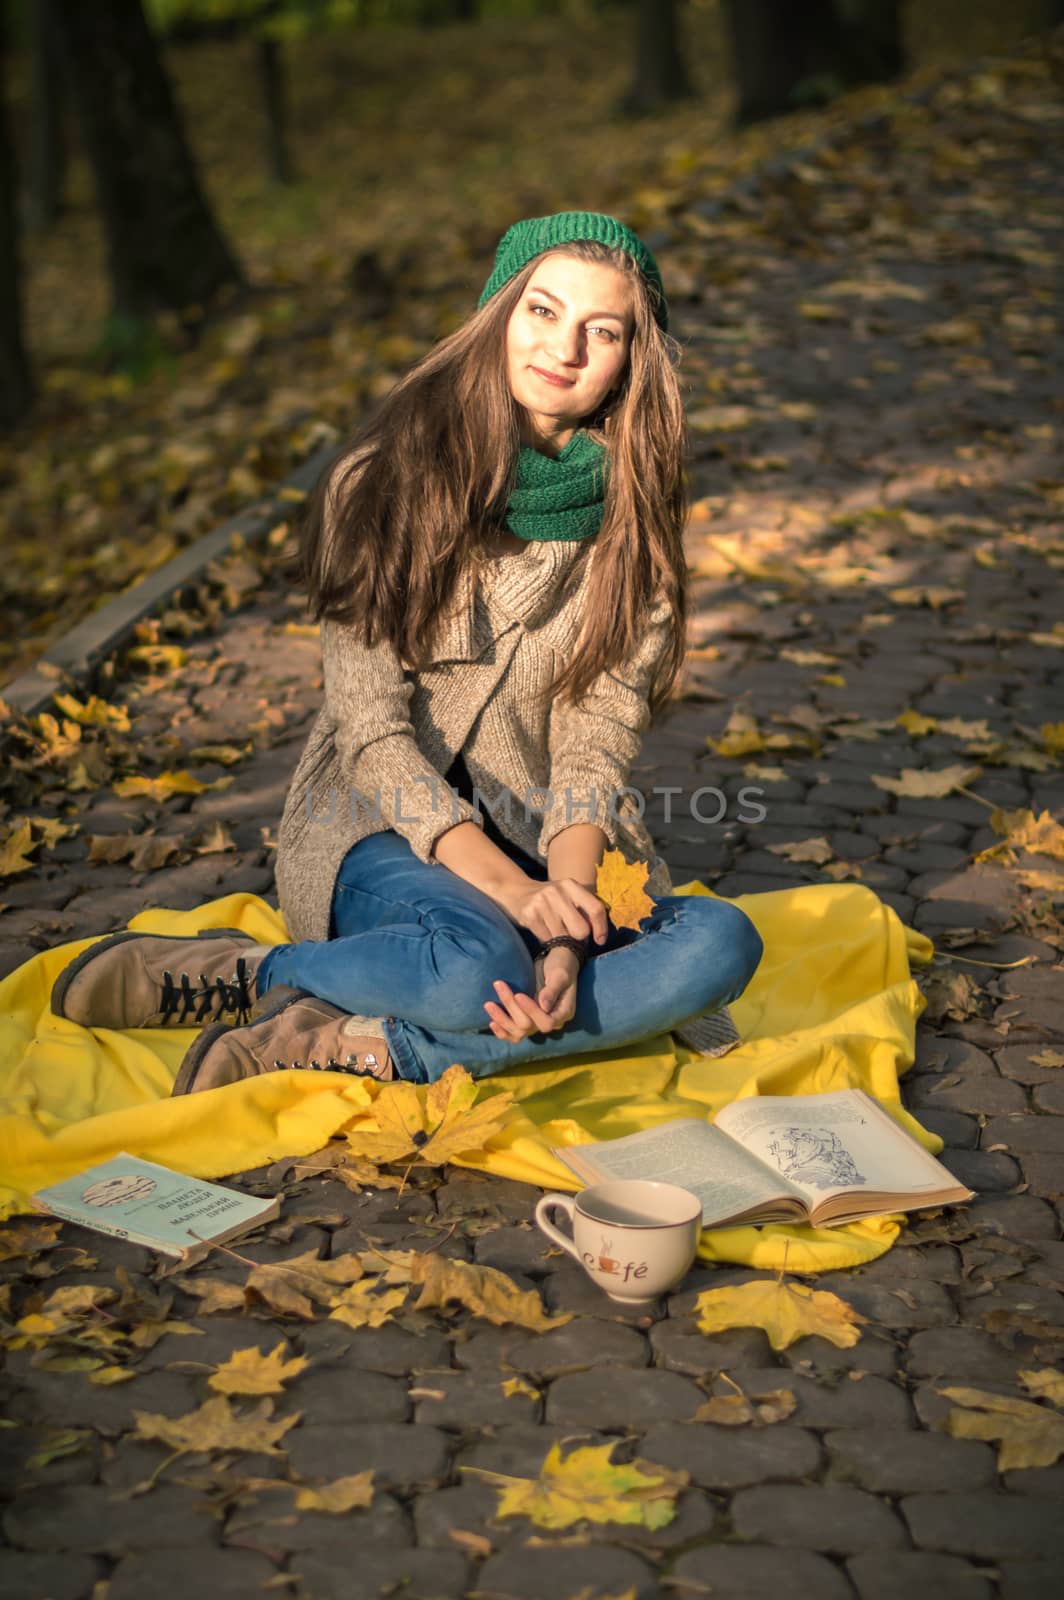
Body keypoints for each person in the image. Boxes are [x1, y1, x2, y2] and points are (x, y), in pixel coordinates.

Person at [51, 211, 764, 1091]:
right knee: (477, 967)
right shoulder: (383, 482)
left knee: (722, 946)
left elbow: (596, 743)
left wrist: (569, 927)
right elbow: (372, 735)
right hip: (376, 823)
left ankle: (378, 1044)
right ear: (498, 313)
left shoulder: (632, 527)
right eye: (542, 311)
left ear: (631, 358)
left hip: (552, 834)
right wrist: (512, 899)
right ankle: (256, 977)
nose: (564, 349)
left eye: (601, 330)